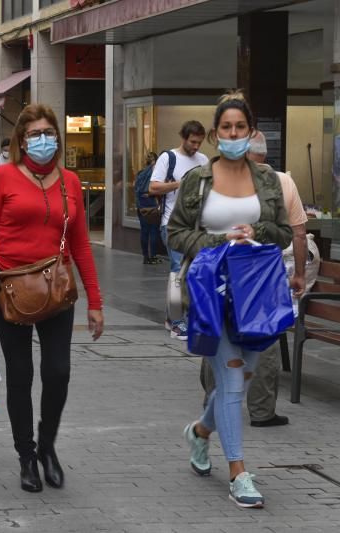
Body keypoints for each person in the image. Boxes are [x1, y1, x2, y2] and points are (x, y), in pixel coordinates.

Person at [0, 104, 104, 493]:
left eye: (48, 133)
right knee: (21, 376)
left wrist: (95, 300)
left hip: (57, 289)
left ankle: (47, 446)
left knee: (58, 371)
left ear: (58, 136)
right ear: (21, 141)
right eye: (34, 134)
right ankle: (26, 457)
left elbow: (81, 245)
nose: (43, 140)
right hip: (10, 292)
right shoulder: (3, 178)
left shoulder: (69, 182)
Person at [167, 92, 292, 509]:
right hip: (210, 293)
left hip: (256, 294)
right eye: (226, 128)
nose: (233, 134)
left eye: (240, 127)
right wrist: (220, 240)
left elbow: (285, 232)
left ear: (249, 131)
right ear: (216, 134)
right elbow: (176, 233)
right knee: (233, 377)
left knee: (241, 378)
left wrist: (259, 234)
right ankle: (239, 472)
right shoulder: (198, 180)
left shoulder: (268, 180)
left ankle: (200, 433)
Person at [200, 130, 308, 428]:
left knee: (219, 331)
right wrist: (298, 274)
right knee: (265, 336)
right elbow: (299, 233)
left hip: (225, 270)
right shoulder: (283, 181)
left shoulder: (219, 181)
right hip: (265, 274)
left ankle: (213, 401)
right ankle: (261, 410)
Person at [149, 120, 209, 341]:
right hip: (172, 223)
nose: (196, 147)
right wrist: (178, 184)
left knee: (192, 273)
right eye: (193, 142)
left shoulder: (203, 160)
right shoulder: (169, 158)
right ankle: (176, 322)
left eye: (199, 143)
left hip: (196, 227)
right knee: (177, 271)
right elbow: (153, 187)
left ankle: (172, 317)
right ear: (183, 138)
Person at [134, 151, 163, 264]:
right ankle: (153, 255)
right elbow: (155, 189)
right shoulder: (154, 172)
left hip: (141, 206)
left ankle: (146, 257)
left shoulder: (140, 173)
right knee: (154, 231)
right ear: (155, 161)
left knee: (144, 231)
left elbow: (136, 188)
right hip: (151, 206)